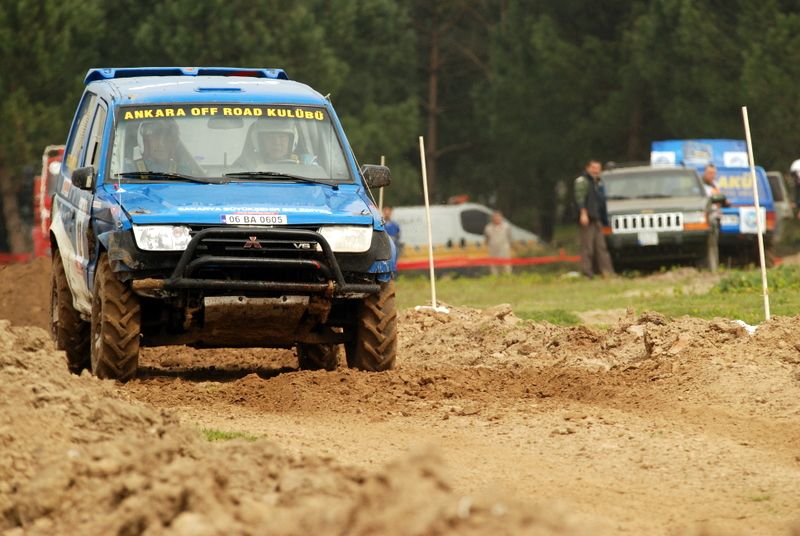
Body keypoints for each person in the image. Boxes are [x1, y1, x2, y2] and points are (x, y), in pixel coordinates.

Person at [574, 159, 614, 278]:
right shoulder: (582, 181)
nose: (596, 171)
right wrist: (583, 213)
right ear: (588, 168)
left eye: (598, 168)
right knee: (588, 248)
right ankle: (587, 273)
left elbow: (601, 203)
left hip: (597, 218)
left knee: (601, 247)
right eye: (594, 168)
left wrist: (604, 220)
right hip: (588, 218)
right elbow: (579, 198)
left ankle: (607, 273)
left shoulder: (598, 183)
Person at [134, 119, 201, 175]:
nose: (161, 144)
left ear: (173, 144)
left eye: (166, 139)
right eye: (156, 138)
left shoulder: (185, 173)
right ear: (146, 143)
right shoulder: (131, 169)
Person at [484, 210, 513, 275]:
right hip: (493, 250)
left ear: (501, 217)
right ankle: (494, 279)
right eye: (495, 216)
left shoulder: (506, 226)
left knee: (506, 266)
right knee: (494, 267)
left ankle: (508, 278)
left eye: (498, 216)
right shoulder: (488, 228)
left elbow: (510, 237)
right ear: (492, 218)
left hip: (504, 250)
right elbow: (486, 239)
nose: (496, 218)